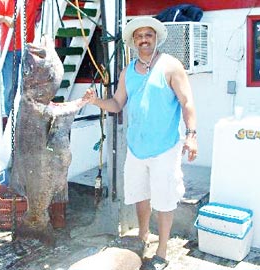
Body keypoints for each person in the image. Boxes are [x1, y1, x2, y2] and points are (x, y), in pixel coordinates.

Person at [83, 17, 198, 270]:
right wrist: (96, 101)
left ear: (156, 38)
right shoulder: (128, 71)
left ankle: (163, 250)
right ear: (133, 42)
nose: (144, 39)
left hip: (165, 147)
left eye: (148, 34)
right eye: (139, 36)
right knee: (140, 196)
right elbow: (116, 104)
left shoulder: (171, 66)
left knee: (164, 200)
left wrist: (191, 135)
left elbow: (187, 102)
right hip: (136, 148)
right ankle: (143, 236)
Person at [0, 0, 43, 116]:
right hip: (9, 50)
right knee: (10, 87)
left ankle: (28, 115)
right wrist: (4, 19)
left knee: (30, 85)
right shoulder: (4, 2)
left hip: (27, 48)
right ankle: (10, 117)